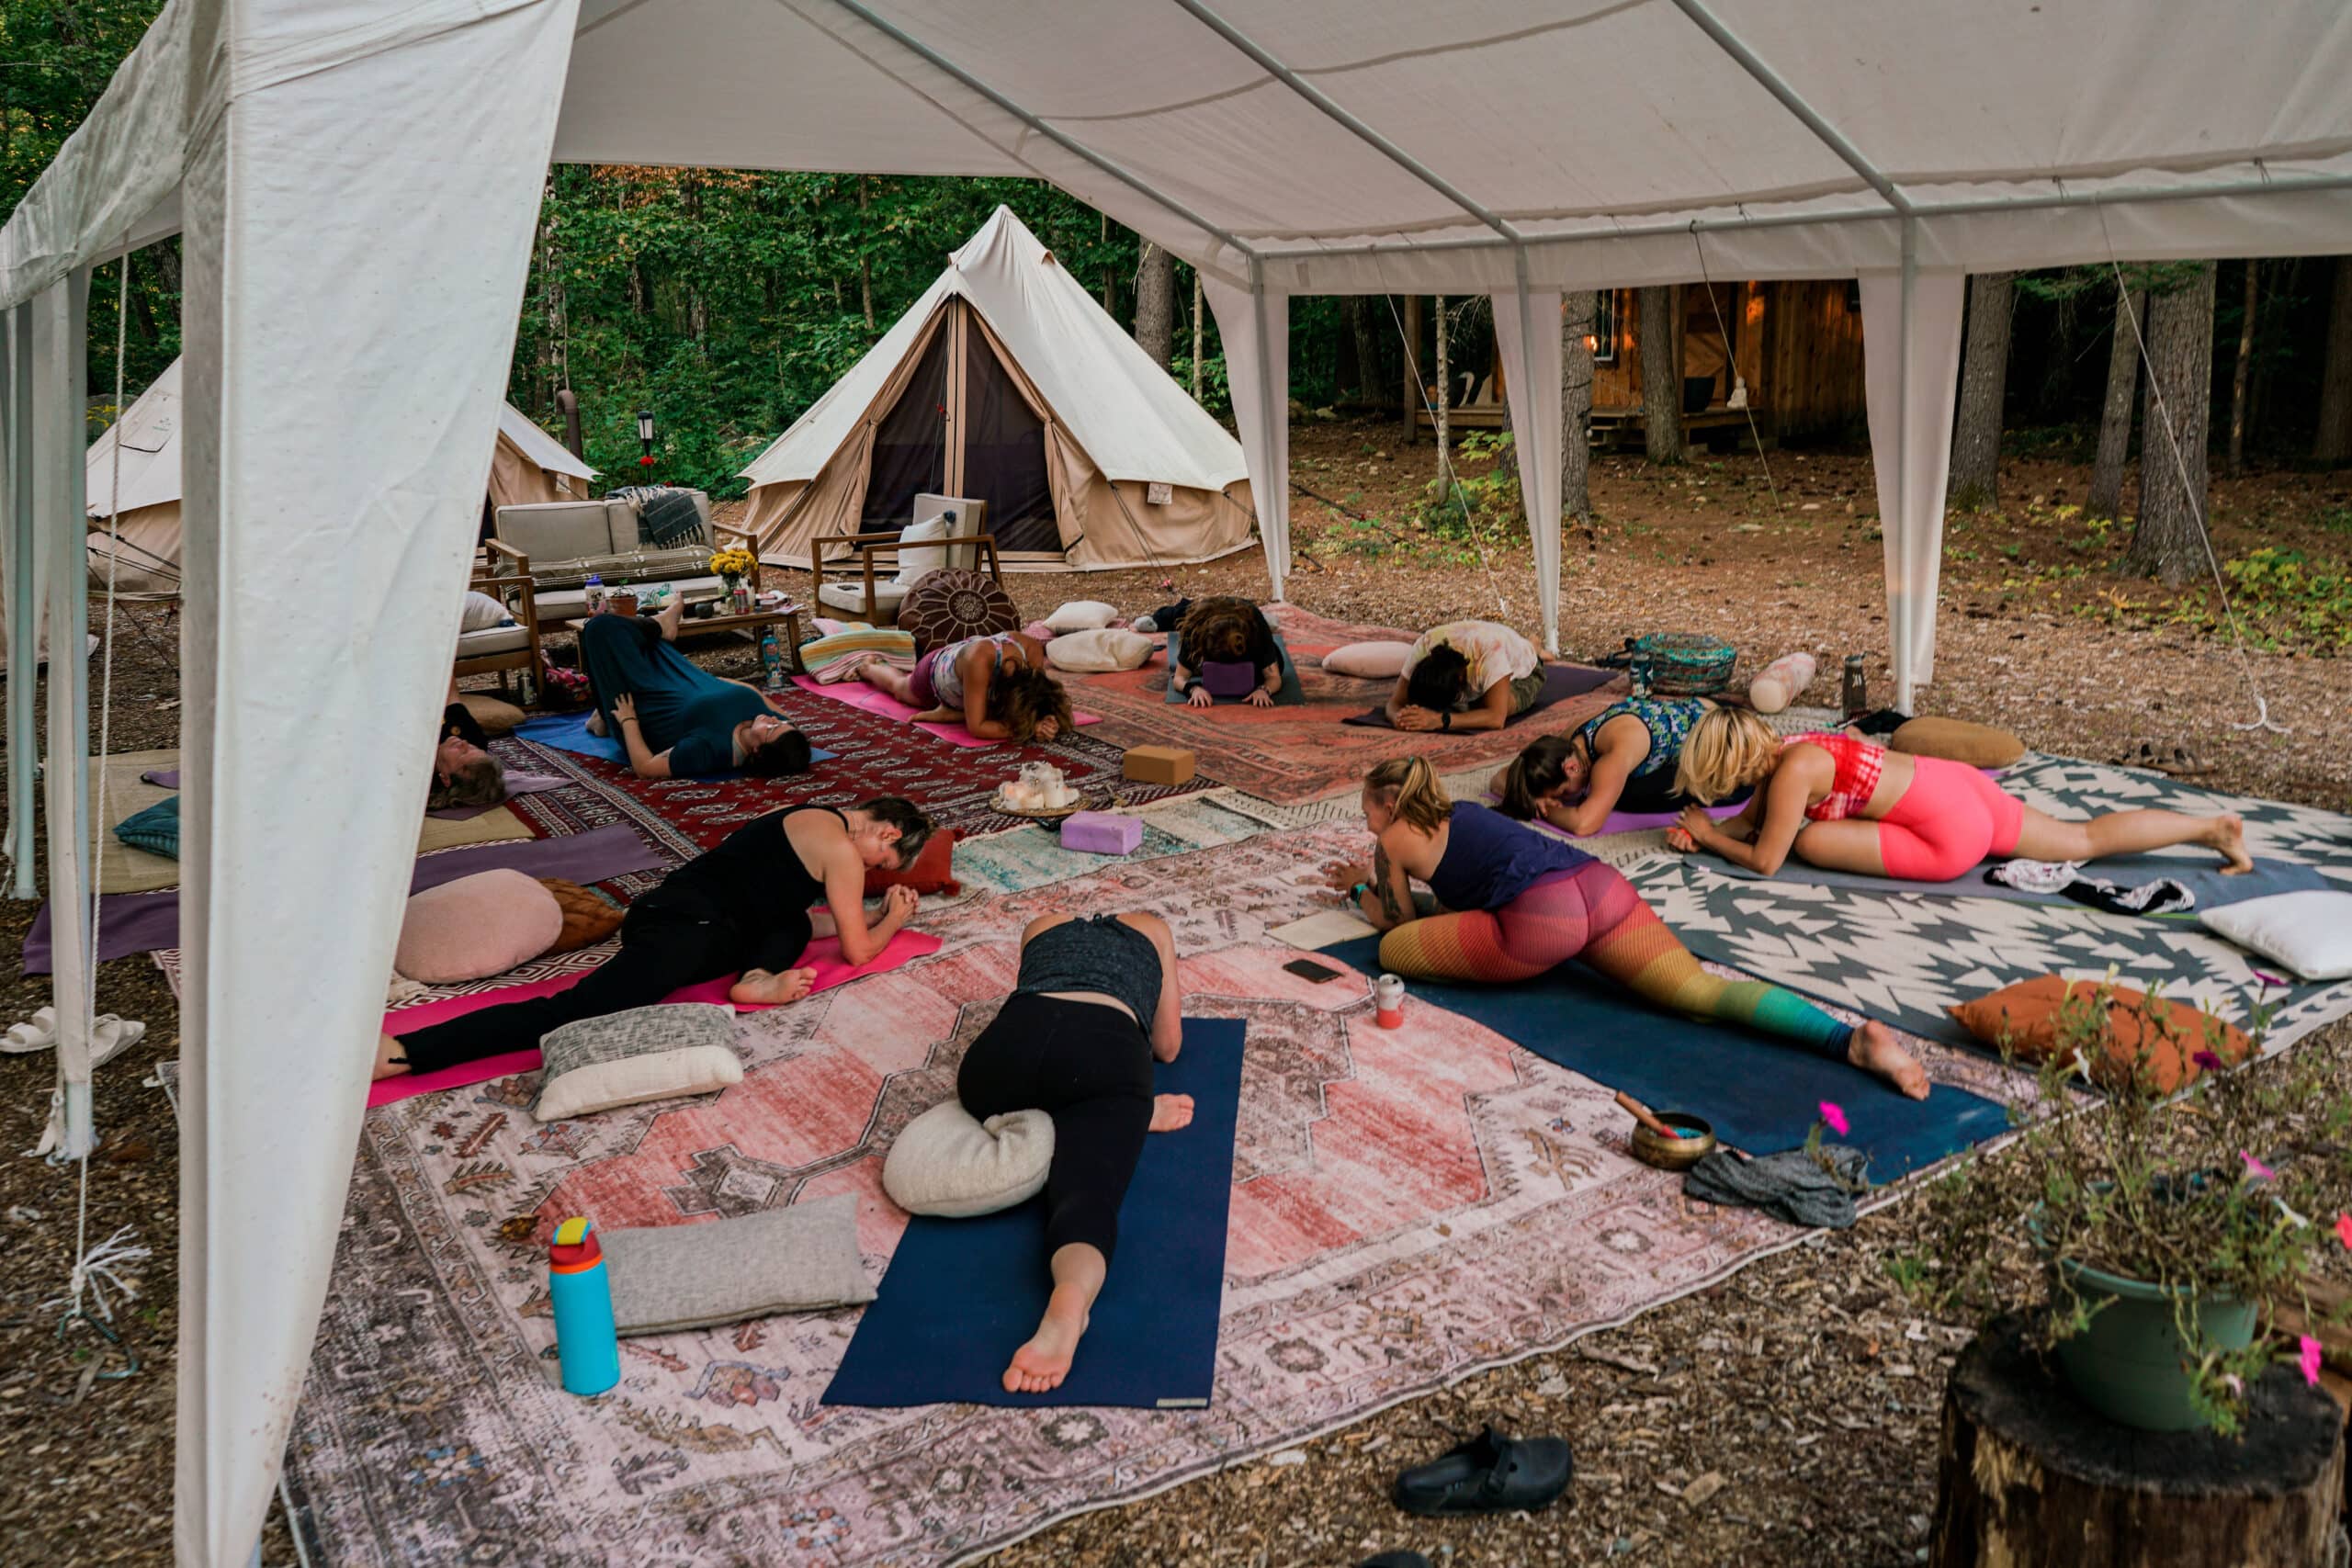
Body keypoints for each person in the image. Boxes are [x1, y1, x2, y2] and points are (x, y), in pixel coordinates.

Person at [1326, 758, 1929, 1099]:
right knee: (1700, 994)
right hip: (1595, 886)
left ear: (1389, 808)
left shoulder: (1392, 842)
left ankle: (1851, 1043)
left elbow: (1394, 921)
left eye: (1366, 811)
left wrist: (1360, 887)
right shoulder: (1468, 811)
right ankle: (1848, 1039)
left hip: (1538, 924)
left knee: (1396, 950)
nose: (1366, 820)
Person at [374, 799, 933, 1080]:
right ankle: (405, 1052)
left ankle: (755, 979)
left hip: (714, 922)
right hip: (679, 926)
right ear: (888, 832)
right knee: (574, 1009)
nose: (875, 869)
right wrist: (892, 923)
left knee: (789, 920)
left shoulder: (817, 819)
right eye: (882, 861)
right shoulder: (841, 850)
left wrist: (872, 915)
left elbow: (816, 921)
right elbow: (858, 949)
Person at [956, 909, 1193, 1393]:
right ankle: (1069, 1302)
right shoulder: (1153, 929)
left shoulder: (1040, 924)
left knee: (1048, 1088)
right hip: (1102, 1053)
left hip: (996, 1063)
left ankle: (1089, 1116)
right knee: (1088, 1190)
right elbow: (1168, 1047)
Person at [1667, 707, 2252, 884]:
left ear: (1733, 766)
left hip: (1948, 836)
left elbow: (1766, 859)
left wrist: (1713, 837)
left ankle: (2208, 831)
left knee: (1811, 843)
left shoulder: (1792, 775)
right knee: (2086, 836)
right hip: (1955, 787)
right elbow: (1750, 821)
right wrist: (1708, 835)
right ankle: (2210, 830)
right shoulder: (1787, 749)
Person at [578, 598, 812, 780]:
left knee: (600, 628)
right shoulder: (780, 731)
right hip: (684, 677)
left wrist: (628, 721)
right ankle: (657, 627)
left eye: (771, 728)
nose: (774, 719)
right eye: (780, 723)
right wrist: (719, 682)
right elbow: (760, 697)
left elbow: (646, 769)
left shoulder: (709, 751)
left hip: (649, 701)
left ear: (757, 752)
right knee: (640, 641)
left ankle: (659, 625)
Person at [1488, 697, 1744, 835]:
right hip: (1701, 709)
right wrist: (1532, 796)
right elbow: (1501, 778)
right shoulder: (1566, 743)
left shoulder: (1610, 758)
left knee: (1624, 797)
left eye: (1563, 794)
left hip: (1728, 737)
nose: (1564, 801)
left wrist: (1539, 809)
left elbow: (1584, 824)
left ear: (1571, 769)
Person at [856, 628, 1070, 743]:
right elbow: (978, 728)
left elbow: (1035, 699)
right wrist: (1030, 729)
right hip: (937, 672)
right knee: (901, 688)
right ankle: (868, 667)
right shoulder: (979, 662)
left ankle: (951, 713)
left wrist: (1047, 718)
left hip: (973, 665)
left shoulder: (1031, 651)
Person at [1385, 619, 1543, 733]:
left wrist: (1439, 720)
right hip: (1489, 635)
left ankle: (1534, 648)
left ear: (1461, 680)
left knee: (1483, 707)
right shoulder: (1424, 645)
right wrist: (1399, 718)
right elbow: (1395, 703)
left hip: (1523, 667)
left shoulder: (1489, 653)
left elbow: (1496, 718)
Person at [1170, 596, 1283, 708]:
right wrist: (1193, 689)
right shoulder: (1194, 629)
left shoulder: (1256, 622)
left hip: (1253, 664)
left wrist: (1264, 690)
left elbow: (1274, 677)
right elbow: (1179, 678)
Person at [432, 679, 507, 811]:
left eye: (462, 754)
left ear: (446, 778)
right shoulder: (473, 736)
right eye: (473, 748)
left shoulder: (411, 775)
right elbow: (450, 693)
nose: (464, 743)